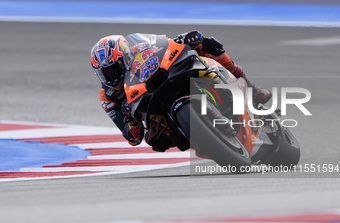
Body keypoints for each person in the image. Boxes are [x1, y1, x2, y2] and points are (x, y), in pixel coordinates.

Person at [90, 31, 272, 150]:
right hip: (152, 107)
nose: (110, 77)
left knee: (205, 44)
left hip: (164, 76)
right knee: (155, 140)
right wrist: (130, 119)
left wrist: (184, 38)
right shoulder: (108, 97)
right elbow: (132, 138)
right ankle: (200, 136)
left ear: (125, 57)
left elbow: (163, 43)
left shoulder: (139, 48)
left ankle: (250, 87)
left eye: (113, 69)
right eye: (104, 73)